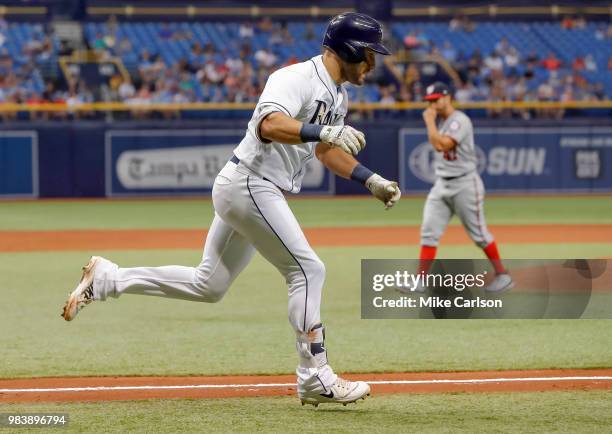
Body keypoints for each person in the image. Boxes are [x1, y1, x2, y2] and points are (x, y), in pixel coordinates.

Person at [61, 12, 400, 407]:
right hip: (251, 183)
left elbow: (325, 151)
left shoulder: (338, 95)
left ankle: (108, 279)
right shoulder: (295, 78)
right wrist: (323, 130)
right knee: (307, 270)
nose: (373, 64)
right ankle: (314, 375)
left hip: (247, 186)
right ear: (347, 49)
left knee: (209, 285)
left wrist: (369, 179)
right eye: (368, 54)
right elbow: (268, 125)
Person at [400, 82, 513, 294]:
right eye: (429, 101)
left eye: (436, 100)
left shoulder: (459, 120)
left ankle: (503, 275)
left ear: (448, 97)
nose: (432, 105)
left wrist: (429, 122)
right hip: (442, 183)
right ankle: (420, 281)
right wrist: (433, 122)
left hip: (465, 183)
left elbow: (441, 145)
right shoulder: (441, 121)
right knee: (429, 233)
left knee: (479, 234)